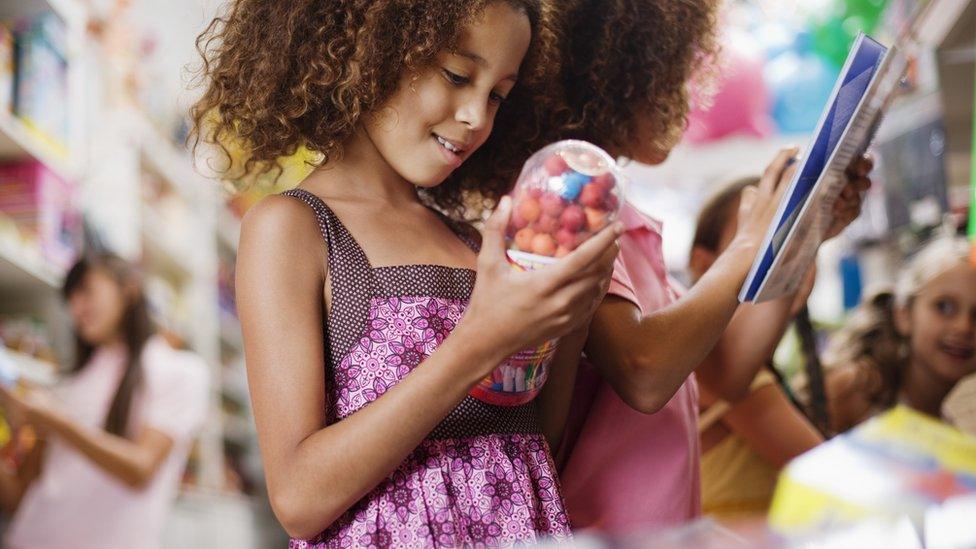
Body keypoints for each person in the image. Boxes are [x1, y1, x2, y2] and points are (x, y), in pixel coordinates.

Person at [191, 1, 618, 546]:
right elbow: (298, 499)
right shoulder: (293, 228)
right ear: (372, 48)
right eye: (458, 76)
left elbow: (532, 443)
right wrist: (479, 342)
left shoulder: (471, 242)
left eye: (497, 96)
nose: (476, 117)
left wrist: (572, 316)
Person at [522, 0, 873, 534]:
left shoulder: (630, 221)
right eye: (674, 79)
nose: (687, 104)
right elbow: (643, 371)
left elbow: (726, 372)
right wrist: (752, 238)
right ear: (621, 76)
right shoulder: (572, 204)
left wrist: (807, 232)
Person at [0, 253, 210, 549]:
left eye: (86, 290)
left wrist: (58, 422)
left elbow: (141, 470)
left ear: (129, 288)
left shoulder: (180, 371)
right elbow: (19, 499)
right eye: (70, 299)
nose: (76, 308)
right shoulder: (67, 387)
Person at [689, 178, 823, 519]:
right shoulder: (717, 368)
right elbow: (836, 479)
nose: (786, 254)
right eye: (763, 244)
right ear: (704, 266)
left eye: (798, 239)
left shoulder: (756, 373)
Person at [818, 236, 976, 434]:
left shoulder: (948, 434)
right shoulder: (858, 389)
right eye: (944, 307)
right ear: (904, 315)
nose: (964, 327)